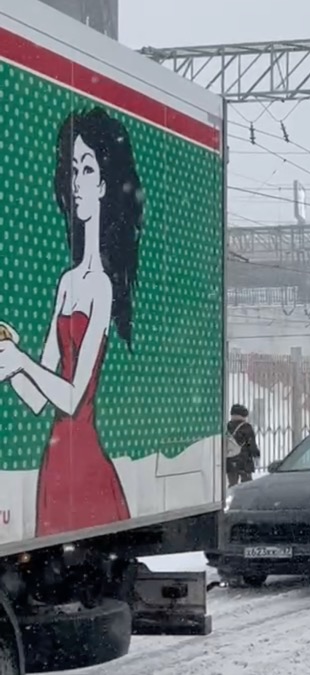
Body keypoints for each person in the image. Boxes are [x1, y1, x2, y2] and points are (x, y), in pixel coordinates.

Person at [0, 108, 143, 537]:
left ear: (104, 184)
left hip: (84, 463)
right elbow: (36, 399)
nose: (76, 182)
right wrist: (11, 360)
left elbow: (73, 398)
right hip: (57, 464)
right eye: (73, 169)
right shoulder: (67, 282)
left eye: (87, 169)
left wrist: (21, 362)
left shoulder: (102, 286)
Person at [226, 404, 260, 487]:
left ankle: (231, 494)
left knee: (232, 484)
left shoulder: (228, 426)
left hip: (230, 459)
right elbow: (250, 443)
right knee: (247, 485)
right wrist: (256, 454)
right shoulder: (246, 427)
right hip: (244, 460)